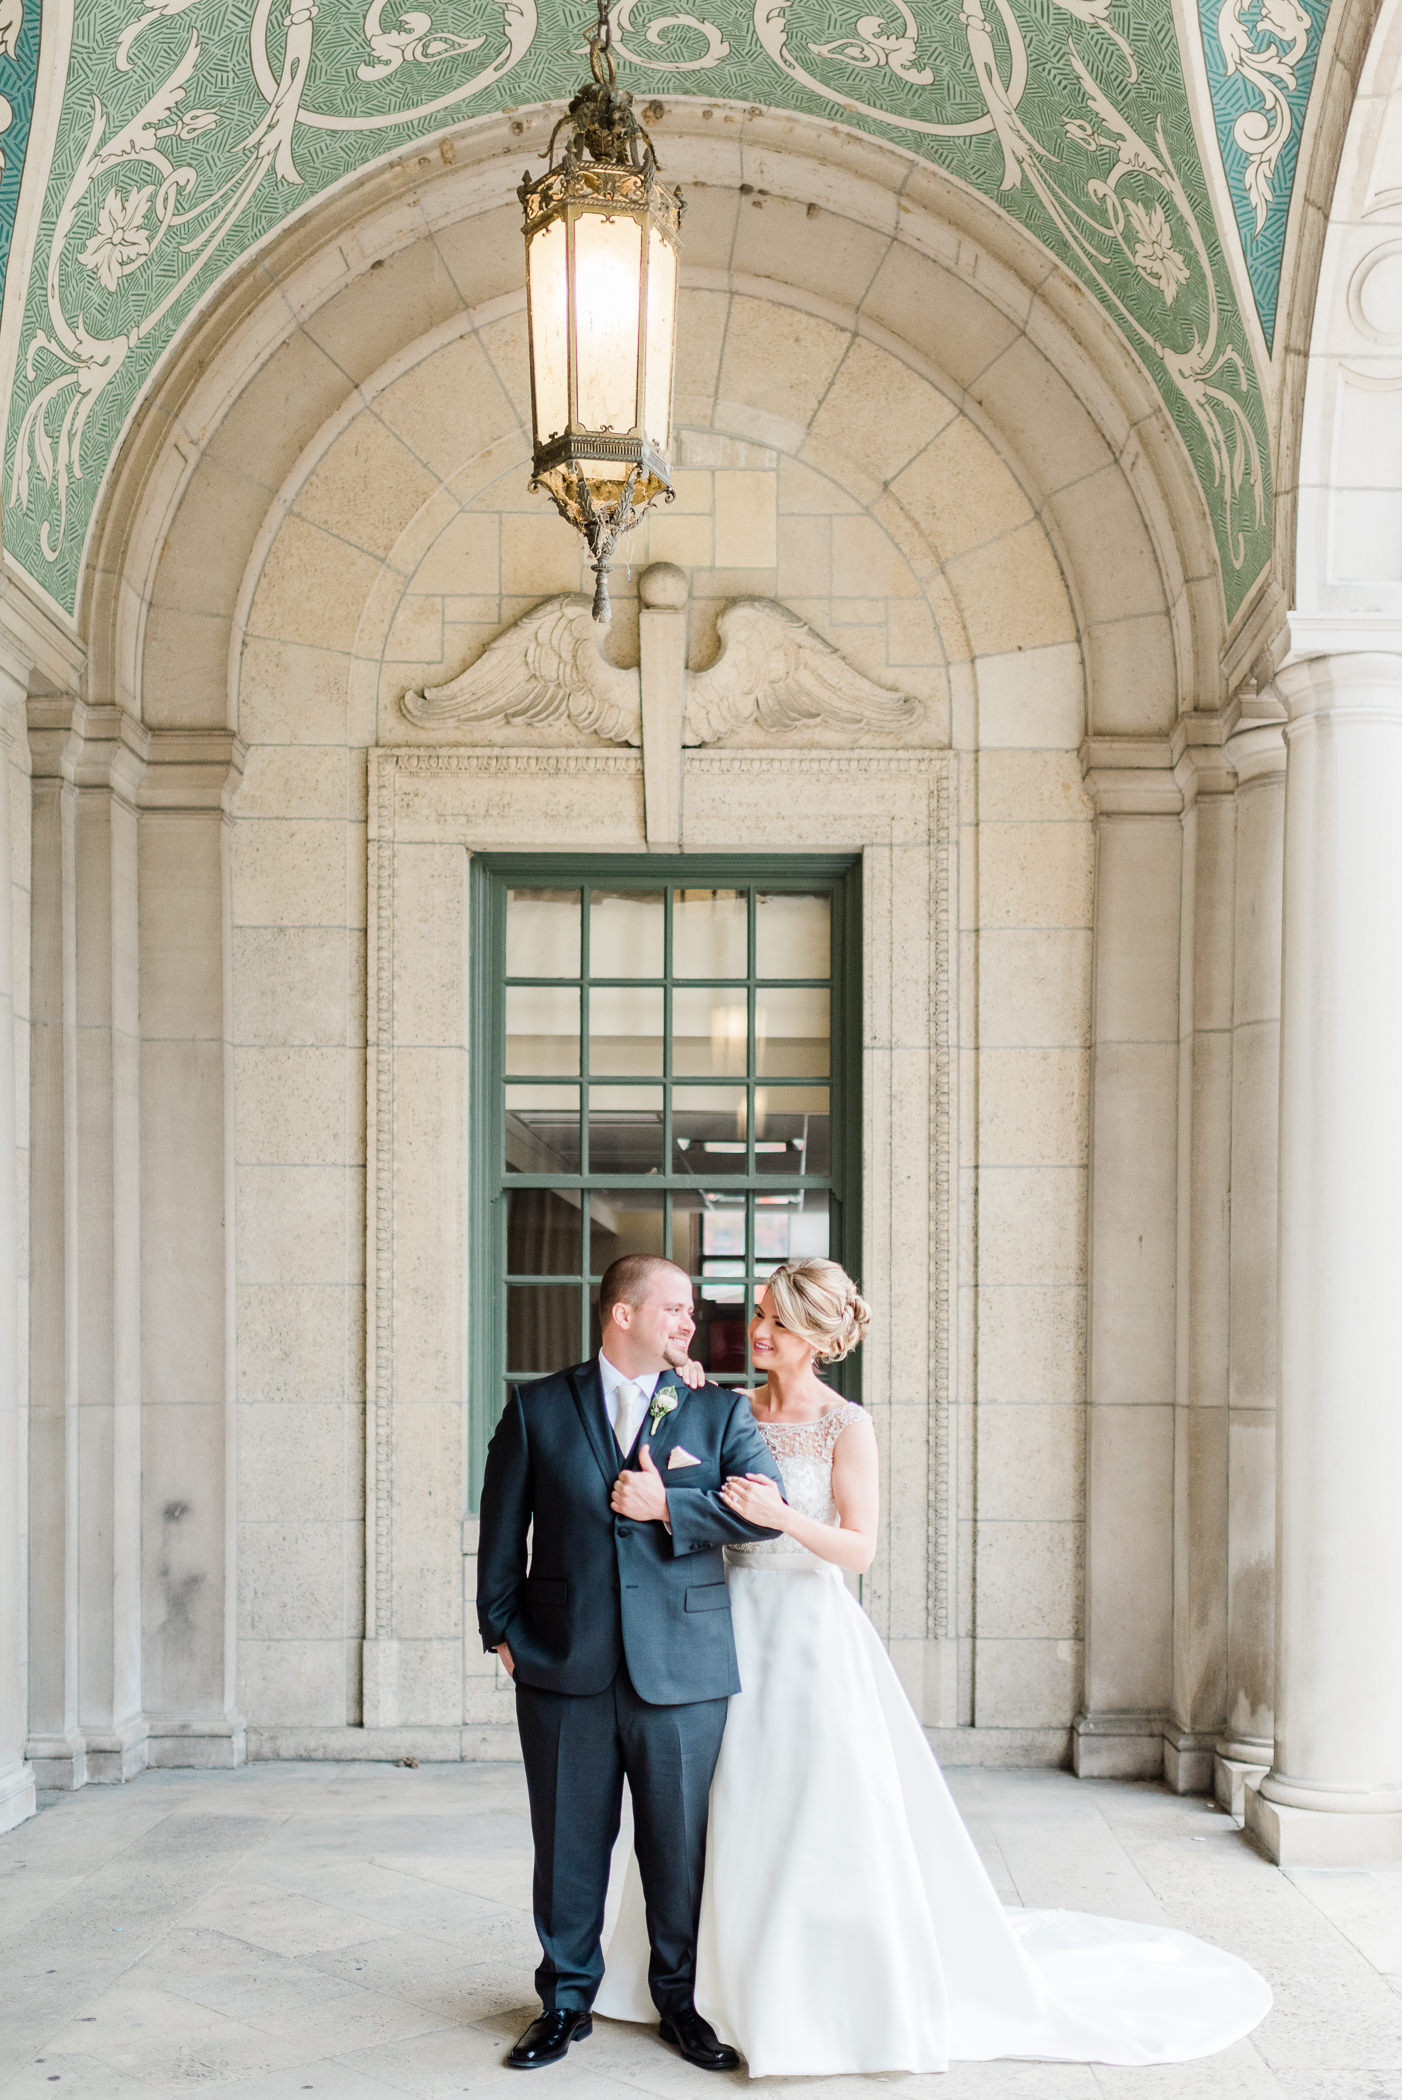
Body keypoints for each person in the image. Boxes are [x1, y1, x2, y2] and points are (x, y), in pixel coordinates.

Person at [597, 1257, 1273, 2077]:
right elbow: (663, 1477)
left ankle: (810, 1992)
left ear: (813, 1336)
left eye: (774, 1321)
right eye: (762, 1316)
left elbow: (860, 1547)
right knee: (710, 1805)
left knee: (809, 1809)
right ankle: (693, 1980)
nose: (759, 1331)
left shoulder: (847, 1426)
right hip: (721, 1627)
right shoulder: (725, 1406)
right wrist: (678, 1394)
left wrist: (782, 1519)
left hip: (809, 1635)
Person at [475, 1251, 787, 2073]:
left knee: (676, 1846)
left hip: (681, 1669)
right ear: (623, 1314)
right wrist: (501, 1631)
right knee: (569, 1843)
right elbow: (502, 1527)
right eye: (675, 1310)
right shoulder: (539, 1407)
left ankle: (678, 2003)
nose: (690, 1324)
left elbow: (766, 1513)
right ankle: (564, 2003)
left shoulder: (717, 1414)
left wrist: (669, 1504)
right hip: (561, 1666)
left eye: (689, 1312)